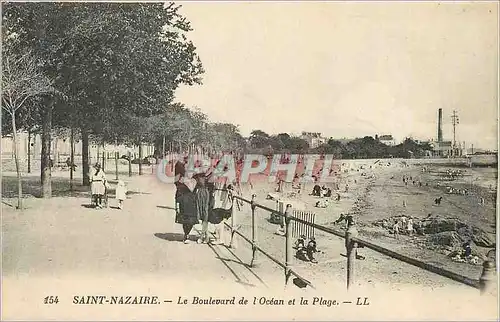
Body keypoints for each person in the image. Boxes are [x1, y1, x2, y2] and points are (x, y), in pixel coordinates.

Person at [176, 176, 199, 244]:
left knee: (191, 220)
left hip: (193, 202)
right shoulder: (182, 180)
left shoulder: (196, 180)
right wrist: (177, 204)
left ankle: (187, 233)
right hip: (184, 202)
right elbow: (178, 192)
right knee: (185, 220)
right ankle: (186, 235)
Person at [194, 173, 211, 244]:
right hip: (199, 193)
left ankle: (202, 236)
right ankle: (206, 235)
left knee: (205, 214)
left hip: (206, 193)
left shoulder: (210, 172)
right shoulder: (198, 170)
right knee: (201, 215)